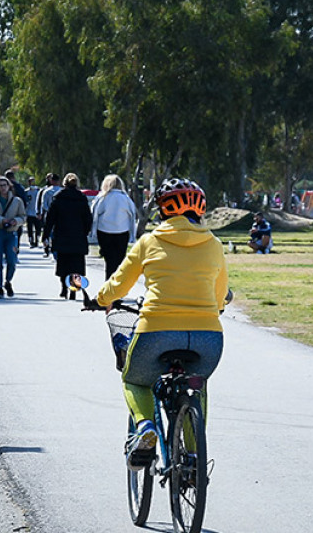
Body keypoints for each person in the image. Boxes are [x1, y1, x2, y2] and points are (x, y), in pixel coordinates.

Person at [90, 177, 228, 469]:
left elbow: (119, 285)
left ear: (162, 211)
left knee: (134, 379)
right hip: (208, 336)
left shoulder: (149, 242)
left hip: (156, 330)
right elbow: (219, 298)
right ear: (200, 211)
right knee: (196, 386)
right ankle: (191, 460)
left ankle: (145, 428)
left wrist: (101, 300)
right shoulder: (214, 244)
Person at [43, 173, 93, 299]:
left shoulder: (58, 198)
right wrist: (85, 232)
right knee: (76, 265)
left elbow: (50, 219)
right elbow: (88, 219)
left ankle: (63, 288)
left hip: (62, 235)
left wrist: (46, 235)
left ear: (64, 183)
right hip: (78, 237)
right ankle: (73, 289)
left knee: (63, 264)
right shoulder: (82, 199)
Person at [91, 174, 139, 279]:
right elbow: (132, 216)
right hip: (122, 232)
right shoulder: (125, 198)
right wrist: (132, 235)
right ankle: (116, 284)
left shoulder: (102, 198)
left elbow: (95, 215)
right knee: (119, 260)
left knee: (109, 260)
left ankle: (109, 281)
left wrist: (93, 232)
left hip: (104, 231)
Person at [0, 175, 25, 298]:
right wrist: (1, 220)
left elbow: (23, 217)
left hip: (11, 233)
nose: (3, 188)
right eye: (0, 186)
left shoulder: (17, 201)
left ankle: (8, 281)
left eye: (5, 185)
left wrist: (15, 221)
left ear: (9, 186)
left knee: (12, 260)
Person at [38, 173, 62, 256]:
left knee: (50, 232)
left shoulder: (47, 192)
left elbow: (43, 204)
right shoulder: (61, 191)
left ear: (51, 181)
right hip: (60, 216)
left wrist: (48, 211)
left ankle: (51, 248)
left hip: (49, 215)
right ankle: (56, 251)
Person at [25, 177, 42, 248]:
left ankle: (37, 240)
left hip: (37, 212)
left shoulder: (39, 190)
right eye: (30, 182)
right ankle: (31, 240)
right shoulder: (26, 191)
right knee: (30, 227)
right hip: (29, 212)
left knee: (38, 227)